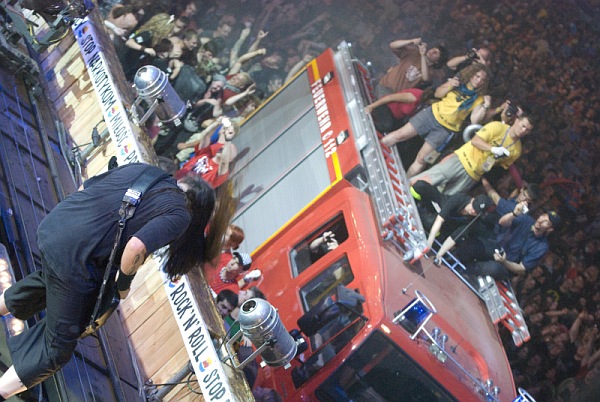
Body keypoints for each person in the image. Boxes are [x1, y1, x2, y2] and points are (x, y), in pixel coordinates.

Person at [0, 163, 217, 399]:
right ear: (197, 212)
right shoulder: (181, 214)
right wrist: (123, 286)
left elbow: (84, 187)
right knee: (57, 349)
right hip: (75, 259)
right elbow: (135, 247)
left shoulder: (146, 170)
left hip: (56, 226)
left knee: (45, 283)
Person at [381, 63, 492, 177]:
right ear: (471, 74)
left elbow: (474, 120)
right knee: (399, 135)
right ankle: (375, 154)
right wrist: (450, 85)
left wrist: (486, 106)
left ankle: (404, 183)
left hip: (446, 130)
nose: (478, 81)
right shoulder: (458, 83)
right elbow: (438, 94)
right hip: (431, 115)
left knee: (421, 159)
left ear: (484, 83)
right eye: (477, 76)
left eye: (482, 80)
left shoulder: (479, 99)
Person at [411, 112, 534, 195]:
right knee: (425, 180)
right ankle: (399, 191)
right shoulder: (497, 127)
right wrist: (493, 149)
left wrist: (493, 158)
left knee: (442, 198)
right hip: (461, 160)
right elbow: (475, 140)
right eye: (523, 126)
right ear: (516, 121)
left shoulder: (517, 150)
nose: (523, 130)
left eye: (527, 130)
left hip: (473, 175)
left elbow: (500, 164)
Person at [410, 180, 494, 260]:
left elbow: (453, 238)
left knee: (430, 222)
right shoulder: (459, 198)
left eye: (476, 212)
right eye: (473, 207)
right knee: (420, 186)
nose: (473, 211)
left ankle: (420, 214)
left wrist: (439, 255)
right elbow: (439, 220)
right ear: (472, 200)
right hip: (440, 207)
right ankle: (413, 204)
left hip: (444, 225)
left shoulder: (472, 221)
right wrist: (429, 243)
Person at [175, 117, 239, 188]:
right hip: (178, 179)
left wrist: (228, 140)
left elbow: (224, 162)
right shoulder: (208, 152)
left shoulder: (228, 148)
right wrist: (216, 123)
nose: (221, 150)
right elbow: (205, 136)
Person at [377, 37, 448, 96]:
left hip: (395, 96)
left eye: (436, 53)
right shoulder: (414, 52)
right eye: (434, 49)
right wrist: (411, 41)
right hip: (385, 86)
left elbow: (425, 78)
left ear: (437, 61)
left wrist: (423, 55)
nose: (433, 52)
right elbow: (392, 45)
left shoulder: (431, 72)